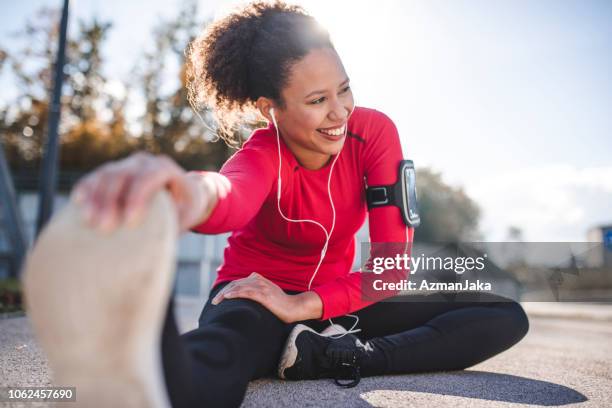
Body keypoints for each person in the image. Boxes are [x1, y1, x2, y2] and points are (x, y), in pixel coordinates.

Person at [23, 2, 529, 408]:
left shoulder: (374, 133)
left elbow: (390, 272)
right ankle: (137, 374)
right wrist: (181, 191)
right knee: (226, 350)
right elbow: (228, 197)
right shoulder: (263, 153)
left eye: (345, 89)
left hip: (334, 304)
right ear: (272, 109)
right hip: (256, 296)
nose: (339, 112)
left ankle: (326, 356)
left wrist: (306, 309)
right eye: (316, 101)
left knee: (501, 315)